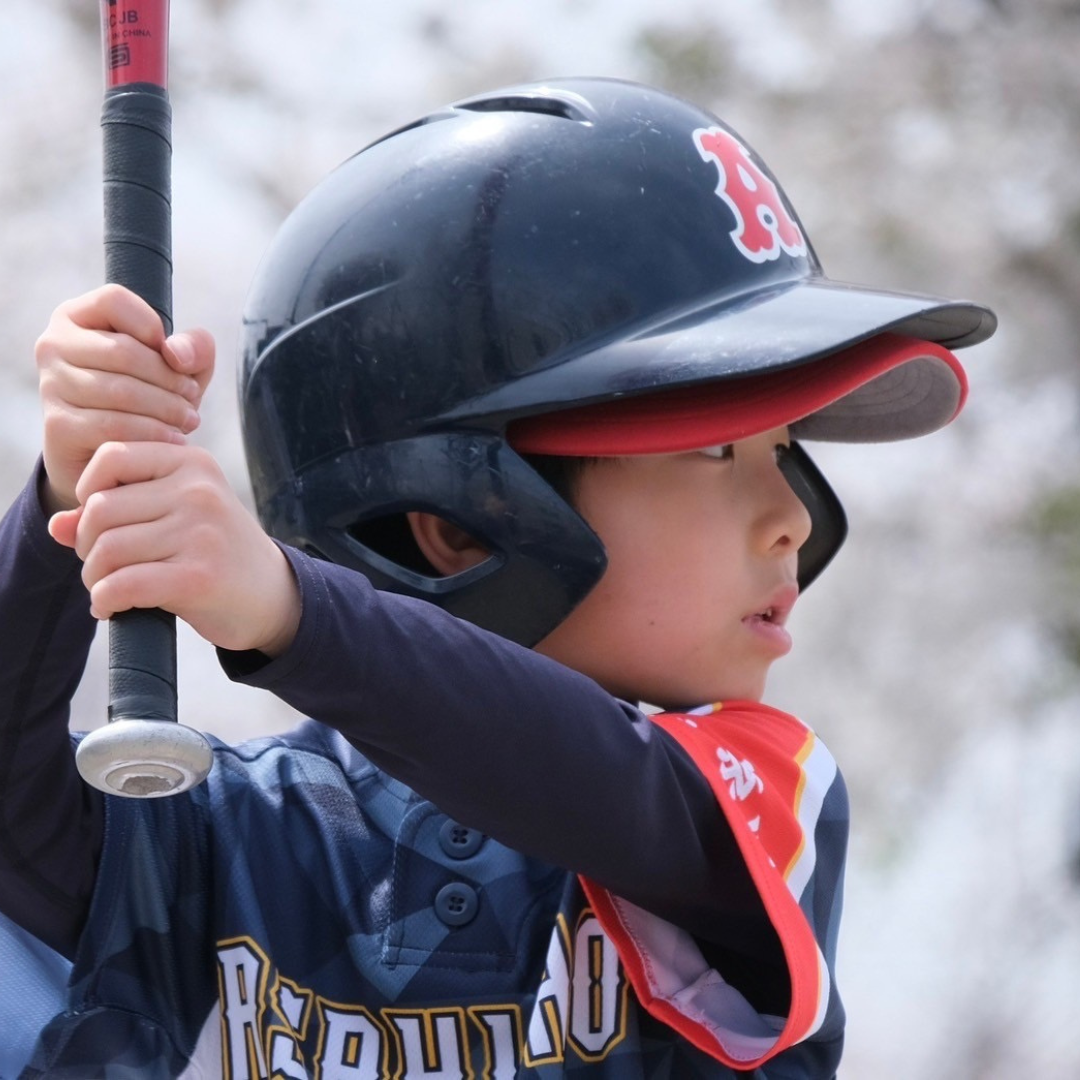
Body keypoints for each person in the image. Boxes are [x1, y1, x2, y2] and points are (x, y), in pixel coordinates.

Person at [0, 77, 995, 1077]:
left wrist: (293, 612)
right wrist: (62, 505)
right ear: (459, 527)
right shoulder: (220, 840)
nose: (793, 519)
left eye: (784, 451)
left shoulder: (759, 798)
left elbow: (601, 781)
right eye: (713, 450)